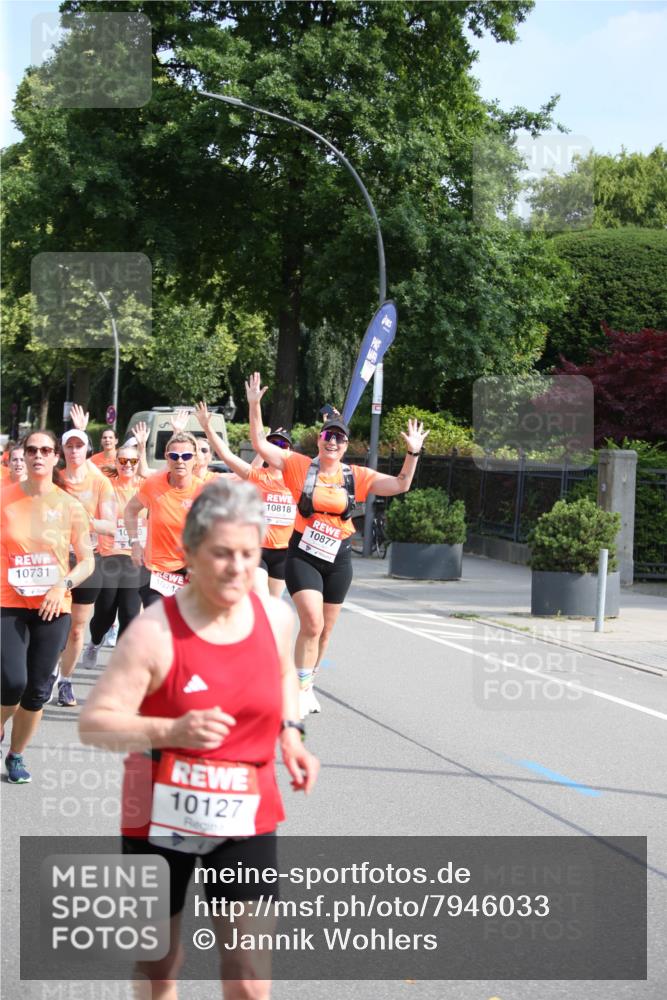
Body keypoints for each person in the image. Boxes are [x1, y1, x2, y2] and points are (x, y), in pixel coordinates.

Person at [79, 478, 318, 999]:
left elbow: (282, 677)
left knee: (250, 977)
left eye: (249, 554)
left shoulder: (275, 617)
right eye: (222, 553)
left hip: (243, 807)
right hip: (156, 811)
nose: (237, 568)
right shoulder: (153, 631)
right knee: (159, 964)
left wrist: (292, 734)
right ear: (190, 552)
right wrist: (171, 730)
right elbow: (95, 720)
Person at [246, 372, 430, 717]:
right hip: (302, 554)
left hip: (338, 558)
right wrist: (255, 405)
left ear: (346, 446)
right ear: (320, 439)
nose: (333, 442)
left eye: (340, 439)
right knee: (312, 623)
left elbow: (402, 484)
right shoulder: (299, 466)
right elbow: (259, 443)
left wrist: (412, 452)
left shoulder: (356, 476)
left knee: (327, 629)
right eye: (329, 436)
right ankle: (298, 690)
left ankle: (308, 682)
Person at [1, 430, 94, 783]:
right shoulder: (4, 499)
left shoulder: (70, 506)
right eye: (31, 450)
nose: (38, 455)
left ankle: (17, 754)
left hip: (53, 605)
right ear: (22, 456)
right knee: (11, 682)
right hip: (7, 601)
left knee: (38, 689)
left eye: (45, 450)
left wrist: (63, 584)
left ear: (56, 457)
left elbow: (87, 561)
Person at [195, 403, 297, 598]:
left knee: (273, 604)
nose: (277, 449)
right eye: (273, 444)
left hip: (284, 552)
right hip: (257, 548)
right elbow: (227, 455)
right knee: (260, 594)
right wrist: (208, 428)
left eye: (283, 445)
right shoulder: (257, 475)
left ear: (289, 451)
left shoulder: (297, 479)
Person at [54, 428, 116, 706]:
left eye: (80, 445)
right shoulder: (53, 479)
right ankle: (47, 672)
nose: (75, 450)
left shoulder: (101, 483)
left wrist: (83, 520)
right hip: (55, 559)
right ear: (63, 450)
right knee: (52, 623)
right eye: (70, 446)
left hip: (88, 558)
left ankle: (65, 680)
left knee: (78, 628)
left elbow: (110, 526)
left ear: (87, 449)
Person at [80, 442, 146, 669]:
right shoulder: (106, 485)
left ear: (138, 463)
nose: (128, 465)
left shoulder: (146, 487)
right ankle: (95, 642)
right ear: (116, 463)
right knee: (104, 614)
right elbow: (84, 467)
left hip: (135, 557)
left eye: (133, 461)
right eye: (123, 461)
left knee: (130, 613)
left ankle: (120, 662)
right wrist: (83, 433)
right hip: (108, 555)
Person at [124, 432, 204, 608]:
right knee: (159, 622)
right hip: (156, 570)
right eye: (174, 456)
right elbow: (130, 511)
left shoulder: (203, 490)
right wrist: (135, 543)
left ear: (195, 459)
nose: (180, 461)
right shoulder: (153, 484)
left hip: (189, 570)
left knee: (185, 628)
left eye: (186, 456)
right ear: (167, 459)